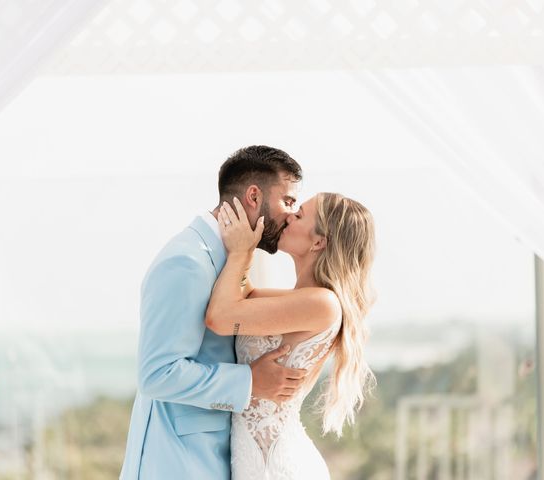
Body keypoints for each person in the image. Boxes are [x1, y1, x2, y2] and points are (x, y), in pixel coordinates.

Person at [119, 146, 308, 479]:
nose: (291, 216)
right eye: (288, 201)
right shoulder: (187, 262)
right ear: (253, 196)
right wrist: (251, 381)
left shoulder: (231, 258)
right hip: (179, 463)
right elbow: (157, 374)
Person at [205, 192, 376, 479]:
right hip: (256, 462)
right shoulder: (301, 300)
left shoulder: (322, 304)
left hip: (276, 468)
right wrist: (246, 247)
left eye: (298, 215)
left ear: (319, 241)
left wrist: (241, 252)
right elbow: (243, 296)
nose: (288, 216)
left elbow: (219, 318)